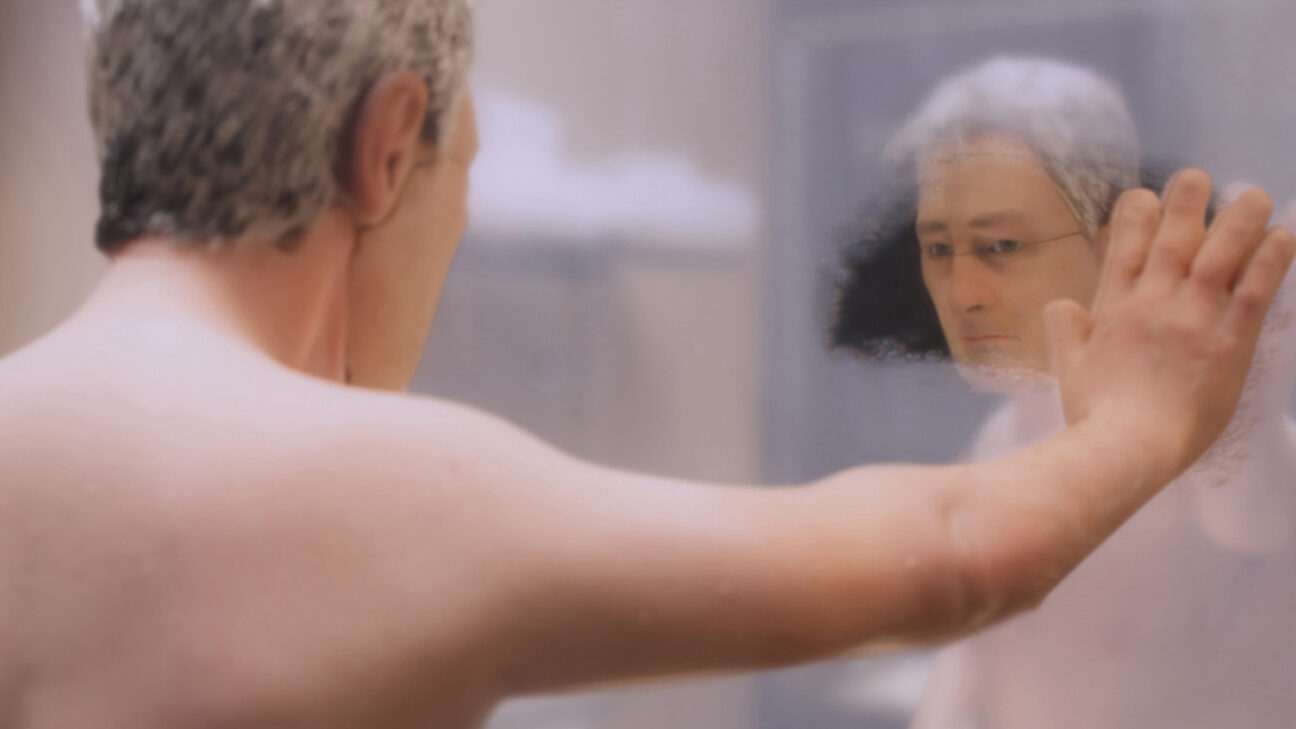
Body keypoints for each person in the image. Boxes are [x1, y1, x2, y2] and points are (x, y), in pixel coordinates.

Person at [1, 6, 1291, 728]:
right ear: (390, 148)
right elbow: (958, 552)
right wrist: (1151, 417)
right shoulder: (376, 490)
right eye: (463, 168)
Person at [834, 56, 1296, 728]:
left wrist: (1244, 393)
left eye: (1001, 245)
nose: (962, 292)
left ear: (1109, 241)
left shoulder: (1180, 434)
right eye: (938, 247)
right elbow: (972, 655)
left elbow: (1257, 514)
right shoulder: (999, 440)